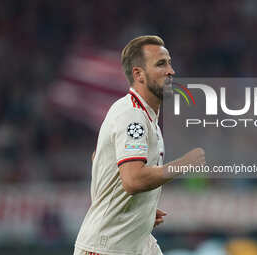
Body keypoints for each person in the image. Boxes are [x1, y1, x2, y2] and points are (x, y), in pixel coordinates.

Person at [74, 35, 205, 255]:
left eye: (170, 63)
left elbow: (100, 161)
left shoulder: (144, 116)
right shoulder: (132, 115)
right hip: (107, 248)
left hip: (135, 243)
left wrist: (138, 209)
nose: (171, 71)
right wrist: (183, 164)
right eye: (161, 64)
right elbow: (133, 179)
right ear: (138, 74)